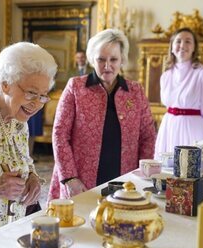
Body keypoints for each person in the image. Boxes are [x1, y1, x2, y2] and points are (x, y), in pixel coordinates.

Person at [48, 29, 156, 200]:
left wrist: (142, 175)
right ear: (92, 59)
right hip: (81, 180)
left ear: (122, 60)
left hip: (125, 180)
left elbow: (148, 136)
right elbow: (60, 134)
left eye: (113, 59)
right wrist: (70, 178)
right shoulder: (76, 87)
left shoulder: (136, 91)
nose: (107, 66)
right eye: (101, 59)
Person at [0, 42, 57, 240]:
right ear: (5, 84)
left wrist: (32, 176)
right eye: (31, 93)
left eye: (43, 96)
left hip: (12, 231)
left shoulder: (18, 117)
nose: (36, 104)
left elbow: (24, 159)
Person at [155, 27, 203, 159]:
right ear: (172, 47)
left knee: (191, 170)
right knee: (167, 170)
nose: (182, 45)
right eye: (178, 41)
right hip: (169, 127)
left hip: (193, 129)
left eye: (188, 41)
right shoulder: (166, 75)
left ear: (194, 48)